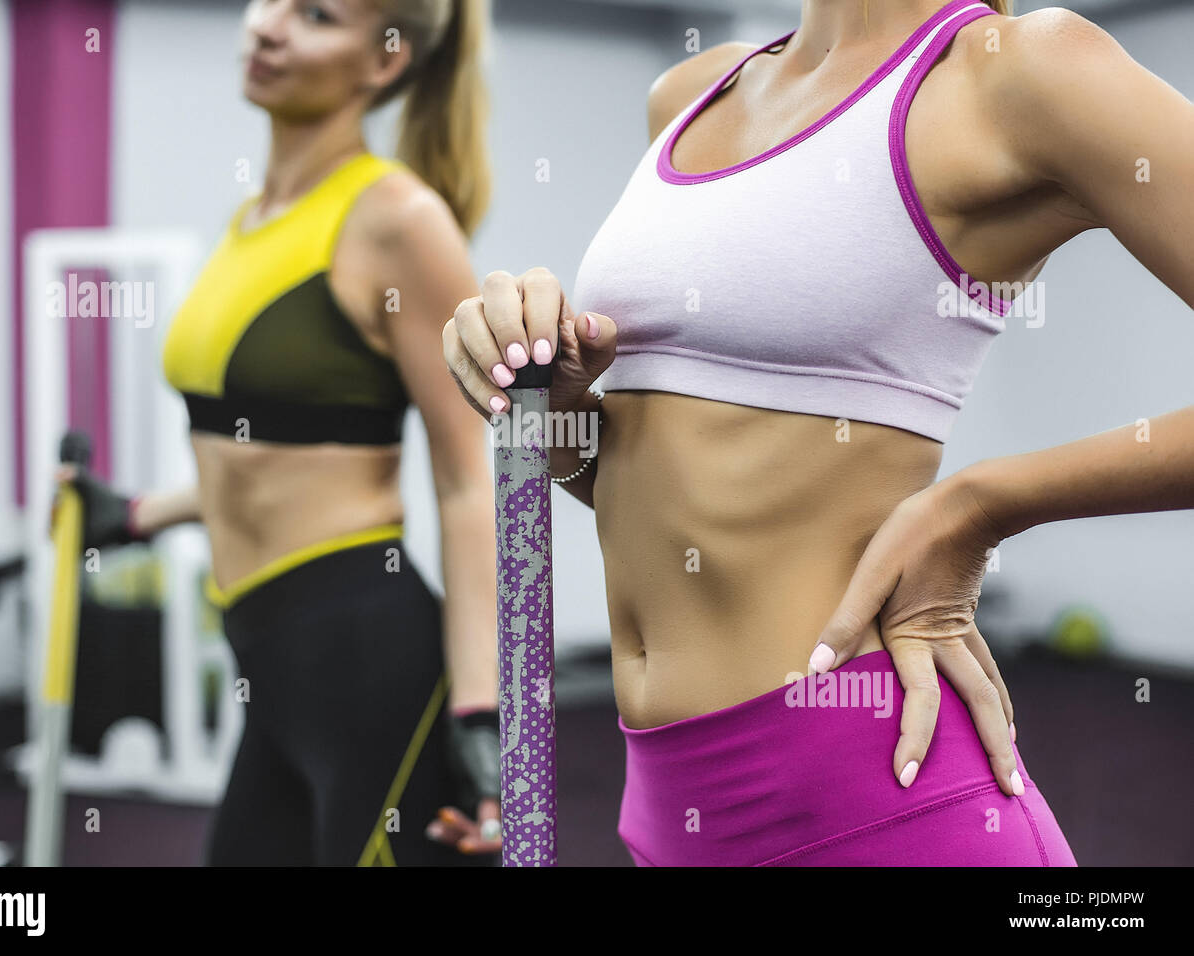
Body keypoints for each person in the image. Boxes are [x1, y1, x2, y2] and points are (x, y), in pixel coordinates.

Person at [444, 0, 1194, 865]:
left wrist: (983, 504)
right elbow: (644, 492)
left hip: (880, 796)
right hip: (667, 805)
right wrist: (553, 407)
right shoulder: (692, 93)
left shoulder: (1019, 71)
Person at [60, 0, 502, 866]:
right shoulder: (251, 222)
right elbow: (272, 453)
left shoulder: (399, 222)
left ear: (382, 60)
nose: (267, 25)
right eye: (272, 1)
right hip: (267, 661)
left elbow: (463, 483)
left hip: (364, 657)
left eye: (317, 16)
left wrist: (482, 713)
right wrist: (139, 513)